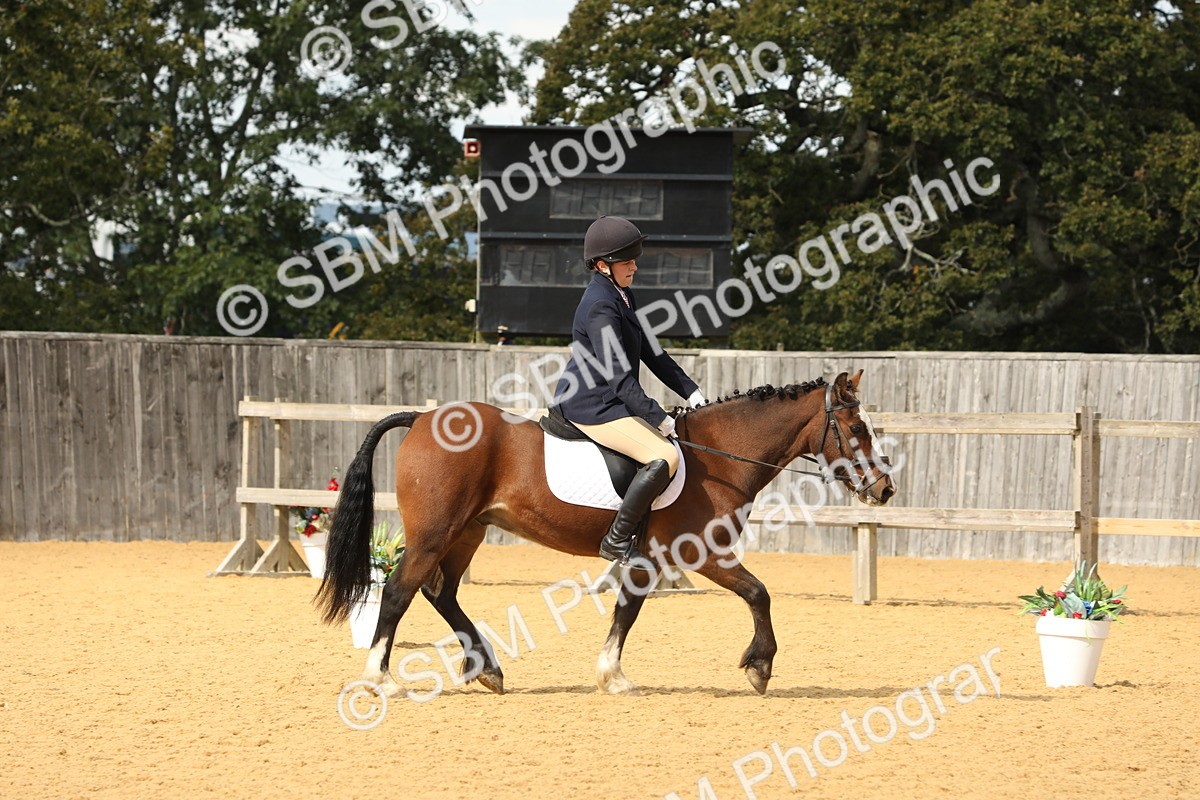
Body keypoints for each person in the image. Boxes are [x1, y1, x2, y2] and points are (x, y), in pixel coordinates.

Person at [552, 216, 706, 563]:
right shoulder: (600, 305)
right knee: (665, 456)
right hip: (592, 405)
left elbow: (652, 352)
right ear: (602, 265)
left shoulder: (622, 295)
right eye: (627, 261)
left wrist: (691, 392)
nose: (635, 266)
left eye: (634, 259)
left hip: (610, 399)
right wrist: (658, 417)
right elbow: (619, 379)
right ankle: (616, 540)